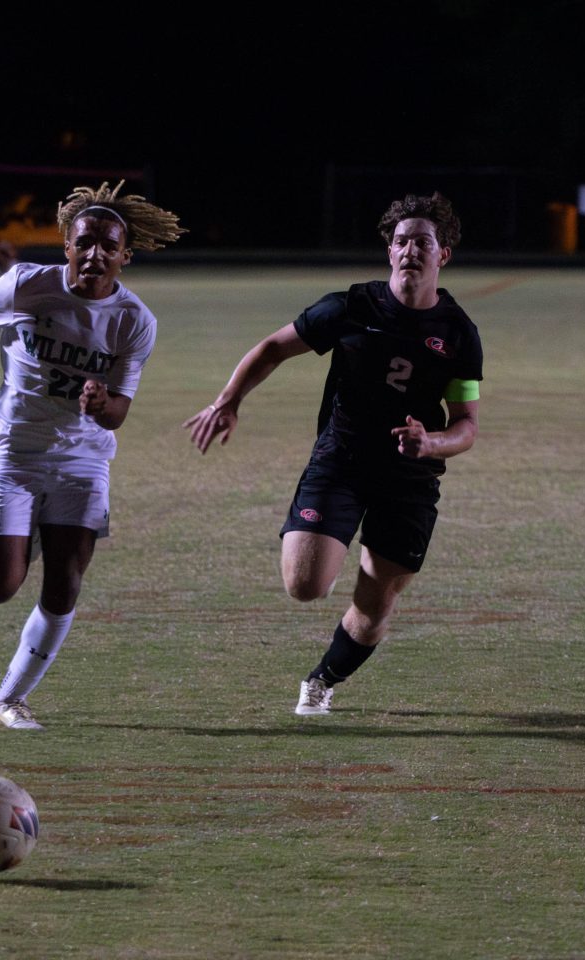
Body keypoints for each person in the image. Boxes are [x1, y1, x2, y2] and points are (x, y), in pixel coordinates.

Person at [184, 192, 482, 716]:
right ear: (390, 252)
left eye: (423, 242)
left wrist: (430, 442)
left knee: (373, 609)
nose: (410, 249)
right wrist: (227, 402)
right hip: (340, 461)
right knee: (304, 585)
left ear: (444, 255)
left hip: (409, 479)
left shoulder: (458, 334)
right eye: (401, 240)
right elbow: (273, 347)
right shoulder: (350, 306)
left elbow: (466, 426)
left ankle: (322, 680)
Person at [0, 181, 184, 730]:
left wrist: (101, 403)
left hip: (81, 461)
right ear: (66, 245)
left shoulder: (135, 321)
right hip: (12, 454)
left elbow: (118, 414)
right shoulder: (24, 286)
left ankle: (9, 700)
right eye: (84, 242)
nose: (95, 254)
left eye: (109, 246)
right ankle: (27, 529)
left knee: (63, 584)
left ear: (125, 256)